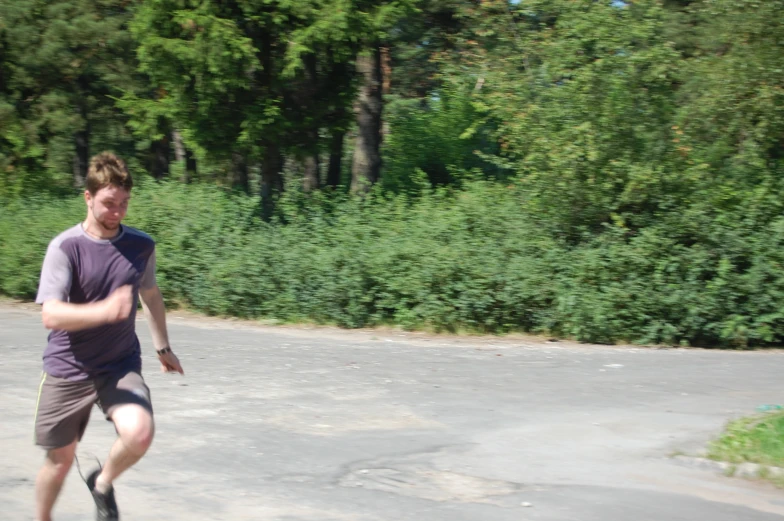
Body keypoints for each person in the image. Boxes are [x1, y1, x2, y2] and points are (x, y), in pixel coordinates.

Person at [33, 152, 184, 521]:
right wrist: (104, 311)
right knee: (60, 461)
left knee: (140, 433)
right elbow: (51, 314)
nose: (117, 212)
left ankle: (102, 483)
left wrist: (162, 346)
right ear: (88, 197)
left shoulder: (140, 246)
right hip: (68, 368)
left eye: (124, 204)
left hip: (119, 365)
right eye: (108, 203)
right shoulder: (65, 247)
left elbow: (150, 293)